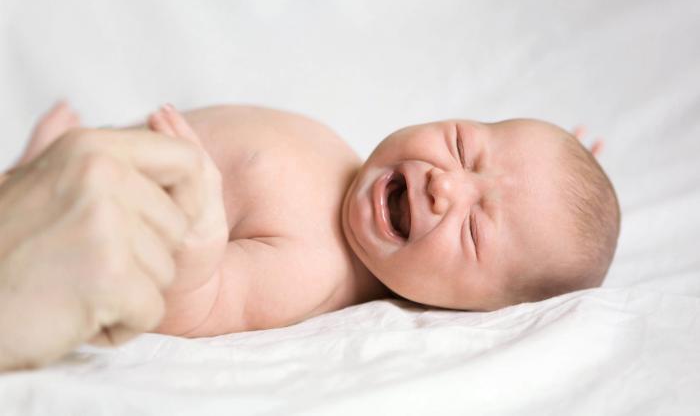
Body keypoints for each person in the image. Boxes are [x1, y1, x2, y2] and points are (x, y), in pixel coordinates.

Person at [3, 102, 620, 345]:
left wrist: (197, 245)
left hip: (81, 224)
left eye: (474, 231)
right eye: (462, 146)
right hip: (75, 174)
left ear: (475, 309)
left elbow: (199, 303)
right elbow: (522, 187)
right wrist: (560, 163)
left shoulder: (314, 269)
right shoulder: (352, 163)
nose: (446, 182)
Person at [0, 110, 214, 370]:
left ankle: (28, 175)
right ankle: (27, 173)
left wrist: (198, 239)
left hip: (125, 201)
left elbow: (201, 306)